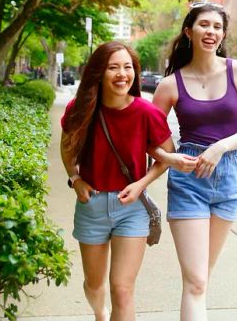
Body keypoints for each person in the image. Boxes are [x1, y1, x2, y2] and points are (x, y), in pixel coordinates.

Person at [60, 41, 196, 321]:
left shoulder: (147, 113)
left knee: (122, 288)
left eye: (128, 67)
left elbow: (166, 156)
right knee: (94, 284)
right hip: (92, 204)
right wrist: (74, 178)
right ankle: (100, 313)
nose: (122, 74)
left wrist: (141, 184)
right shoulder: (81, 108)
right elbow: (67, 146)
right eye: (113, 67)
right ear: (99, 72)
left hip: (131, 209)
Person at [152, 2, 237, 321]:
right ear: (189, 32)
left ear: (223, 34)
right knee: (196, 282)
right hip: (189, 182)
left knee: (201, 280)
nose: (211, 32)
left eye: (217, 26)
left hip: (228, 177)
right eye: (204, 25)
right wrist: (170, 157)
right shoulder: (170, 84)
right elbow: (148, 134)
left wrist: (219, 148)